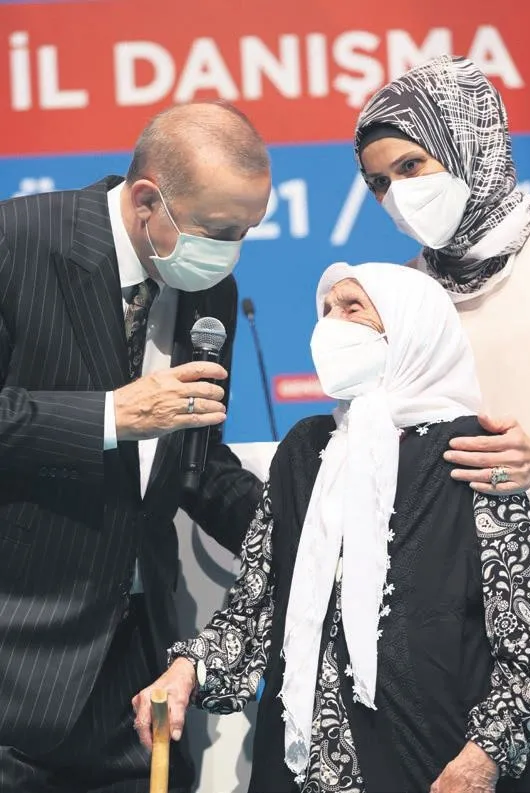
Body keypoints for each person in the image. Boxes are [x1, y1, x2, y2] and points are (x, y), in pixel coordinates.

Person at [133, 261, 530, 793]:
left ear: (412, 328)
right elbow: (254, 612)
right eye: (326, 311)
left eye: (353, 309)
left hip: (437, 767)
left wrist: (483, 757)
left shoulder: (471, 451)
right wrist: (188, 669)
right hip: (296, 769)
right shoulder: (305, 450)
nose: (332, 324)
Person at [0, 100, 271, 792]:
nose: (231, 251)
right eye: (219, 231)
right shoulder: (16, 240)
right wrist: (107, 416)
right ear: (147, 199)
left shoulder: (209, 291)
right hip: (16, 657)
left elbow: (197, 464)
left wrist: (301, 523)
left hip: (137, 675)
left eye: (247, 232)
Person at [354, 55, 530, 558]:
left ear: (466, 146)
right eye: (379, 183)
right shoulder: (406, 291)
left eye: (410, 166)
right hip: (471, 574)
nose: (397, 195)